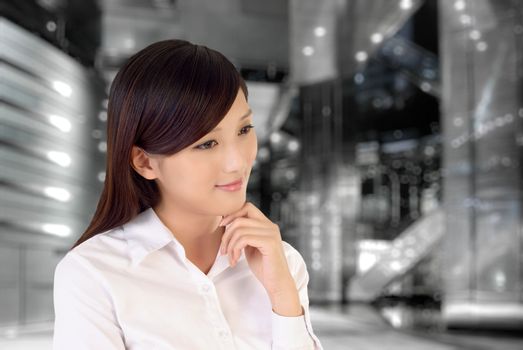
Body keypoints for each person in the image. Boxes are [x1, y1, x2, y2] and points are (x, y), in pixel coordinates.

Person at [52, 39, 324, 350]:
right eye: (207, 143)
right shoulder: (93, 273)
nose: (238, 162)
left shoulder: (281, 261)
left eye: (244, 130)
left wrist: (282, 294)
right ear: (144, 161)